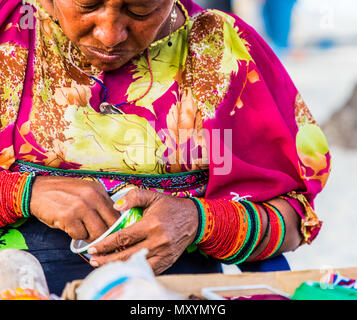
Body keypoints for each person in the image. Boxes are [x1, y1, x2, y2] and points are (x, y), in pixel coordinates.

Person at [0, 0, 331, 296]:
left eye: (139, 10)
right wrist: (23, 193)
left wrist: (199, 221)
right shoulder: (8, 32)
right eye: (88, 6)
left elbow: (293, 217)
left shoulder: (222, 50)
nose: (110, 34)